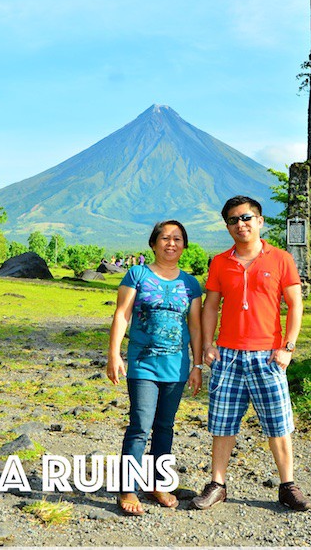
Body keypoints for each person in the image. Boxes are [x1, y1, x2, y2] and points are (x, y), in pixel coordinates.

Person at [191, 195, 311, 512]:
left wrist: (288, 347)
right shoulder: (219, 262)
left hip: (268, 355)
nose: (240, 224)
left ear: (259, 221)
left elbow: (295, 305)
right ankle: (217, 484)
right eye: (233, 220)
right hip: (228, 354)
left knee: (278, 424)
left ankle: (288, 486)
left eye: (246, 218)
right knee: (222, 424)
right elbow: (211, 307)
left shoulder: (281, 259)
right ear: (227, 226)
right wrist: (207, 345)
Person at [107, 220, 204, 516]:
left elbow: (197, 328)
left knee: (165, 426)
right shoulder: (137, 274)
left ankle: (158, 482)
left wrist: (197, 365)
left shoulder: (190, 284)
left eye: (177, 239)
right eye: (165, 238)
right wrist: (114, 354)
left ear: (184, 245)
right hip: (142, 364)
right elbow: (122, 315)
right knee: (140, 425)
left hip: (176, 367)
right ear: (153, 243)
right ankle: (128, 488)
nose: (170, 243)